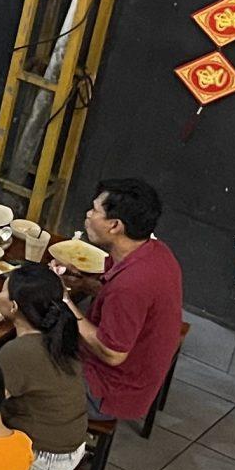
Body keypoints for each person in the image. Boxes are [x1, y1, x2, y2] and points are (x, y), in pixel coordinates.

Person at [64, 177, 184, 425]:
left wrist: (64, 300)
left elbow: (112, 353)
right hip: (136, 375)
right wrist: (85, 284)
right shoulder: (156, 250)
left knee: (25, 357)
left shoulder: (132, 285)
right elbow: (121, 298)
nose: (88, 214)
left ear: (115, 225)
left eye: (95, 210)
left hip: (107, 392)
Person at [0, 265, 94, 470]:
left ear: (14, 306)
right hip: (70, 449)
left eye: (3, 290)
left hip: (41, 462)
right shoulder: (59, 335)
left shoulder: (19, 352)